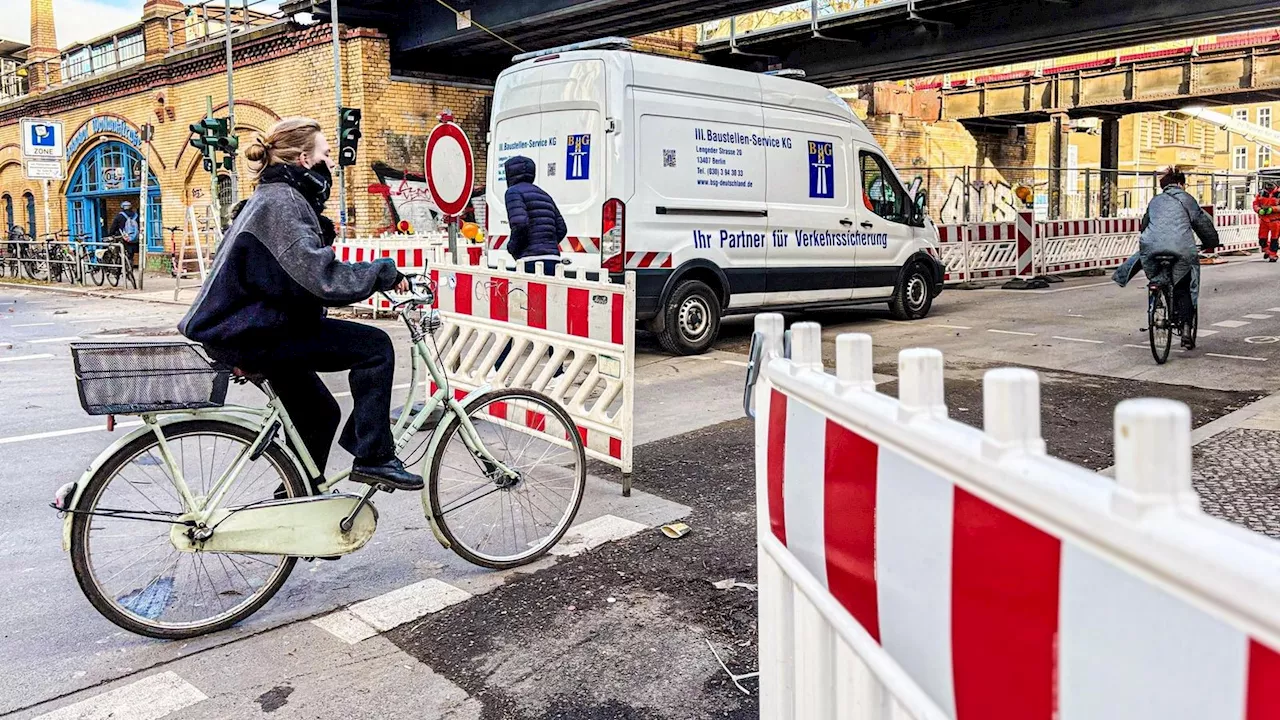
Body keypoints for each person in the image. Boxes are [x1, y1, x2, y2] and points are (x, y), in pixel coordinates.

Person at [179, 117, 422, 491]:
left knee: (319, 414)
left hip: (247, 329)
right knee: (375, 348)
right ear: (305, 159)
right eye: (326, 154)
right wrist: (381, 273)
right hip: (256, 331)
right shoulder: (283, 202)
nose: (332, 163)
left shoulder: (274, 197)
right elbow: (318, 278)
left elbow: (285, 271)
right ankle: (375, 457)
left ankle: (297, 504)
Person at [1113, 168, 1220, 348]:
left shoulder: (1155, 200)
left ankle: (1157, 294)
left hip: (1151, 247)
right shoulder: (1187, 199)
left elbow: (1145, 224)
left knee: (1157, 278)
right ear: (1180, 184)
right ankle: (1186, 329)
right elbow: (1201, 223)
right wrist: (1211, 242)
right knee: (1183, 287)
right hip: (1181, 249)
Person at [494, 155, 567, 374]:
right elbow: (562, 228)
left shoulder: (513, 193)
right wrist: (548, 245)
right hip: (552, 260)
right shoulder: (544, 194)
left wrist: (514, 249)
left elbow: (519, 223)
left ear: (510, 174)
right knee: (550, 315)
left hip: (530, 261)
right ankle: (557, 370)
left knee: (515, 312)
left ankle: (500, 366)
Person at [1254, 184, 1280, 262]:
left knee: (1274, 239)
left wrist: (1272, 209)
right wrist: (1258, 210)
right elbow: (1255, 204)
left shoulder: (1278, 194)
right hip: (1264, 220)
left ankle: (1273, 255)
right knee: (1262, 239)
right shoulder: (1261, 193)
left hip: (1275, 220)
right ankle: (1268, 251)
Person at [109, 201, 140, 266]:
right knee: (131, 254)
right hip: (134, 238)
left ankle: (121, 266)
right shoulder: (136, 216)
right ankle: (130, 265)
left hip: (124, 238)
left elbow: (113, 228)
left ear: (122, 207)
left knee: (120, 252)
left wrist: (111, 234)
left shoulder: (119, 216)